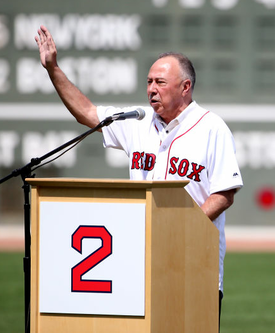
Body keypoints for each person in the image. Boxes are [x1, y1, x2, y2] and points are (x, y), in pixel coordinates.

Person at [35, 24, 242, 326]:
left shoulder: (212, 128)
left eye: (160, 82)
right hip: (138, 264)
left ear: (185, 87)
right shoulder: (137, 120)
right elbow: (88, 113)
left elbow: (224, 194)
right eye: (148, 82)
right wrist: (53, 68)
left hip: (194, 262)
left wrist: (179, 228)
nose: (151, 89)